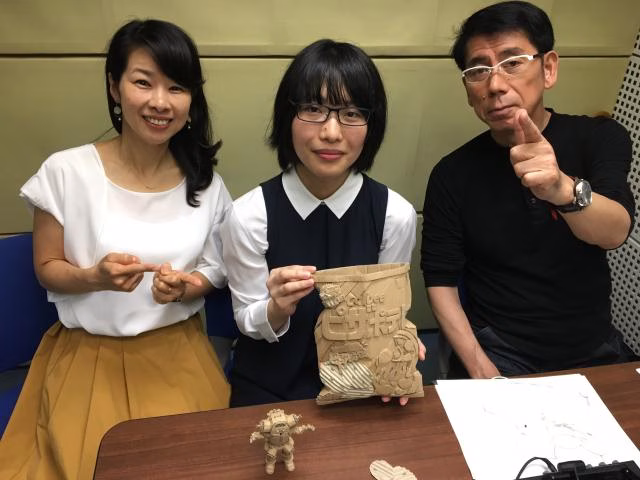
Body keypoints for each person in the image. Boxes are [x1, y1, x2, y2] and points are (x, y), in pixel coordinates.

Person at [0, 19, 230, 479]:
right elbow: (47, 266)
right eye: (143, 82)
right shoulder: (65, 172)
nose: (160, 102)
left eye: (177, 87)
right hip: (87, 359)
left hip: (179, 355)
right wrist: (94, 277)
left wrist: (187, 288)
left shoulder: (206, 184)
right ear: (114, 87)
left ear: (191, 100)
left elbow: (216, 266)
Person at [421, 0, 637, 379]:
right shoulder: (451, 174)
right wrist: (483, 371)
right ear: (468, 90)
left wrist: (560, 188)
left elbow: (615, 232)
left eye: (512, 62)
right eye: (478, 70)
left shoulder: (599, 138)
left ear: (548, 68)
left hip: (593, 346)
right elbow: (441, 280)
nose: (495, 85)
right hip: (500, 350)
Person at [221, 39, 423, 407]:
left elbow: (388, 315)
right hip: (268, 390)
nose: (331, 132)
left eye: (351, 113)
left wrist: (398, 347)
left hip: (361, 391)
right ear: (288, 116)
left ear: (372, 124)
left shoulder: (395, 214)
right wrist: (276, 307)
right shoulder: (248, 214)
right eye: (313, 109)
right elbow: (246, 319)